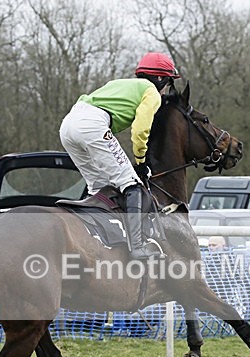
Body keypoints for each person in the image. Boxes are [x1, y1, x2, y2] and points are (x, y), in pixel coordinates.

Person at [59, 52, 181, 260]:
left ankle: (94, 239)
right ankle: (137, 247)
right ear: (161, 79)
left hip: (68, 125)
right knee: (131, 184)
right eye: (168, 84)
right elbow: (141, 129)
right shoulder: (151, 92)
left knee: (98, 187)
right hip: (93, 124)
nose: (166, 90)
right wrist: (140, 160)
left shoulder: (119, 83)